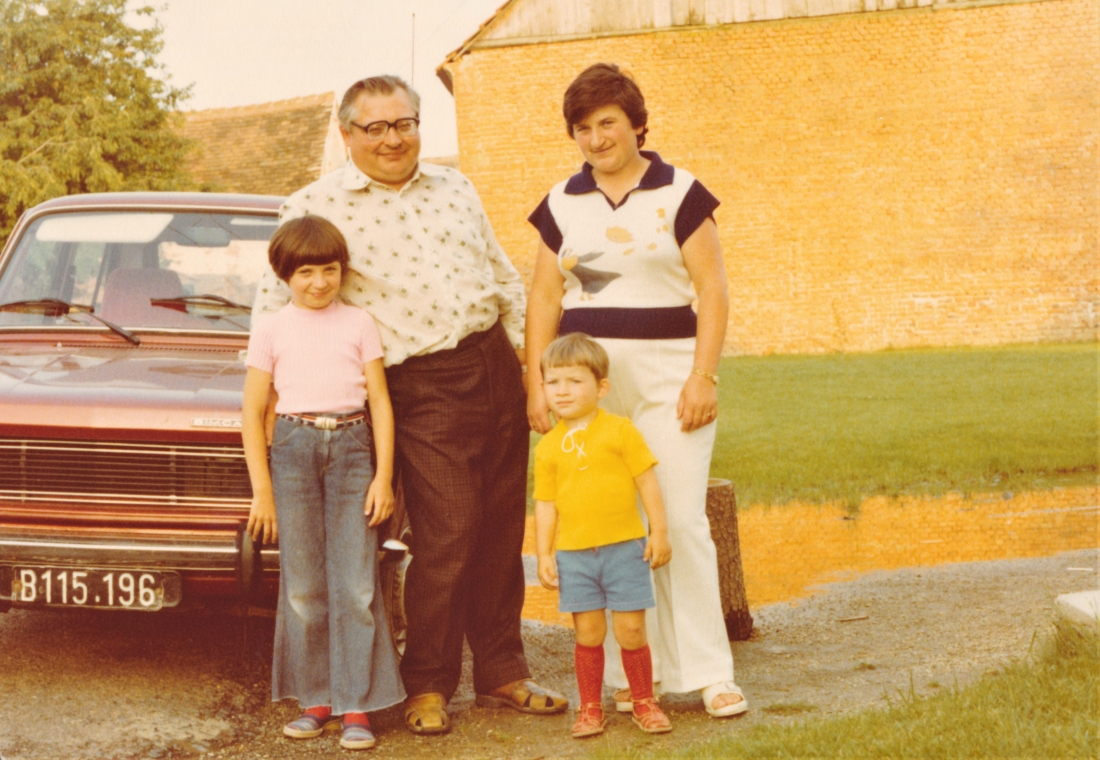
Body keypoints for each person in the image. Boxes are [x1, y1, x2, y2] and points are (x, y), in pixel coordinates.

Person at [252, 75, 567, 736]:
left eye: (405, 123)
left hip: (492, 365)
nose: (394, 138)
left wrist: (531, 373)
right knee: (448, 535)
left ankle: (504, 672)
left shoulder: (457, 187)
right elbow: (276, 320)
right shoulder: (313, 205)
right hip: (418, 384)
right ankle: (427, 682)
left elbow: (503, 276)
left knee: (500, 529)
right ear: (347, 135)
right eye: (376, 128)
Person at [525, 63, 748, 718]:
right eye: (583, 129)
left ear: (637, 124)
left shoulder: (681, 193)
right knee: (609, 526)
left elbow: (712, 289)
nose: (597, 139)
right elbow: (543, 294)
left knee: (676, 518)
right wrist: (537, 383)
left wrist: (703, 375)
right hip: (587, 386)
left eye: (608, 124)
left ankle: (709, 671)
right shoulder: (561, 202)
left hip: (669, 378)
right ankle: (635, 677)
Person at [242, 216, 405, 751]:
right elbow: (253, 412)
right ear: (285, 274)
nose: (319, 282)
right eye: (306, 272)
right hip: (293, 450)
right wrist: (262, 490)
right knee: (305, 586)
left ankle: (356, 701)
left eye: (329, 270)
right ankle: (315, 697)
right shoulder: (270, 328)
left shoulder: (358, 322)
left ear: (342, 271)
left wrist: (384, 475)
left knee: (356, 585)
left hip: (354, 450)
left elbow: (379, 400)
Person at [533, 333, 673, 738]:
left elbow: (647, 482)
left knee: (631, 630)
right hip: (575, 555)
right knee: (588, 633)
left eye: (574, 381)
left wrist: (658, 532)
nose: (562, 391)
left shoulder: (620, 431)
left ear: (601, 387)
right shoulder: (548, 448)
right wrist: (543, 553)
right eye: (553, 382)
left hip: (624, 549)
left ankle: (644, 701)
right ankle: (590, 708)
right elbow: (545, 504)